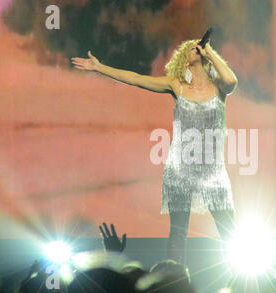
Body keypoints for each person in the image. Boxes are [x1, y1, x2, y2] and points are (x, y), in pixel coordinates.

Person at [71, 38, 238, 264]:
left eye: (199, 46)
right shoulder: (176, 85)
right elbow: (137, 79)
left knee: (229, 231)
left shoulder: (219, 87)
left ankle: (243, 283)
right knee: (178, 233)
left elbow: (231, 80)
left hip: (213, 171)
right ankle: (173, 283)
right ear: (185, 62)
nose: (196, 48)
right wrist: (99, 68)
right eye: (191, 48)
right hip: (180, 170)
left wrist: (209, 52)